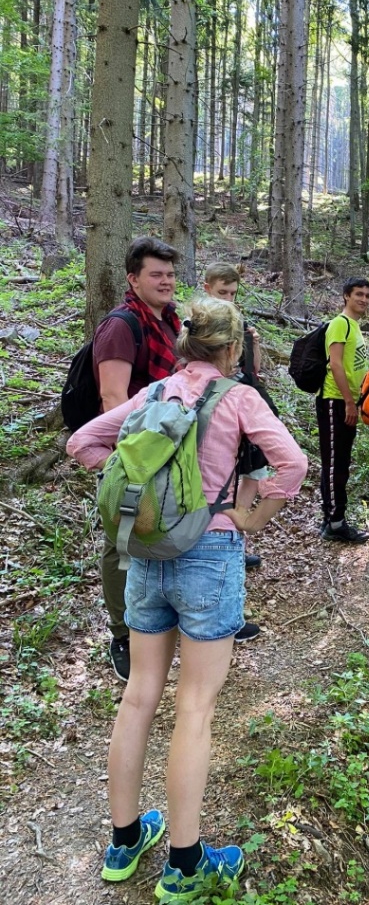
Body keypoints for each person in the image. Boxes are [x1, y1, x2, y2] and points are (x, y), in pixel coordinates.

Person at [67, 296, 308, 902]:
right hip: (210, 554)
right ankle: (185, 864)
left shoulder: (153, 394)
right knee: (194, 706)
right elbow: (293, 464)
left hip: (145, 556)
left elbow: (83, 444)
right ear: (233, 349)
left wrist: (145, 500)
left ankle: (124, 842)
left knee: (138, 695)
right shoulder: (238, 397)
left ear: (183, 345)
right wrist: (252, 518)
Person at [91, 236, 180, 681]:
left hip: (169, 452)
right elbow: (112, 399)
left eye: (170, 274)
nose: (166, 282)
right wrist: (133, 463)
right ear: (133, 279)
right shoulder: (122, 326)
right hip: (132, 456)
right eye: (155, 274)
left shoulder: (171, 322)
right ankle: (122, 634)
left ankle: (162, 619)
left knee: (161, 531)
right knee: (122, 541)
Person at [203, 262, 275, 571]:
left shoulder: (238, 321)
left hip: (246, 400)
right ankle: (217, 537)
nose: (228, 299)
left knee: (255, 470)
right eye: (223, 292)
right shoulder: (199, 326)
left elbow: (253, 369)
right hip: (218, 407)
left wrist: (253, 343)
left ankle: (236, 533)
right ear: (207, 289)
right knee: (221, 474)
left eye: (232, 293)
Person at [317, 277, 369, 542]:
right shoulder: (340, 324)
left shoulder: (354, 326)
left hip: (348, 401)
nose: (363, 299)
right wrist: (349, 401)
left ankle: (331, 517)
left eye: (367, 295)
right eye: (358, 294)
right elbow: (336, 364)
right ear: (346, 296)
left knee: (340, 461)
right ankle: (335, 522)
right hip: (335, 400)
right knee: (334, 463)